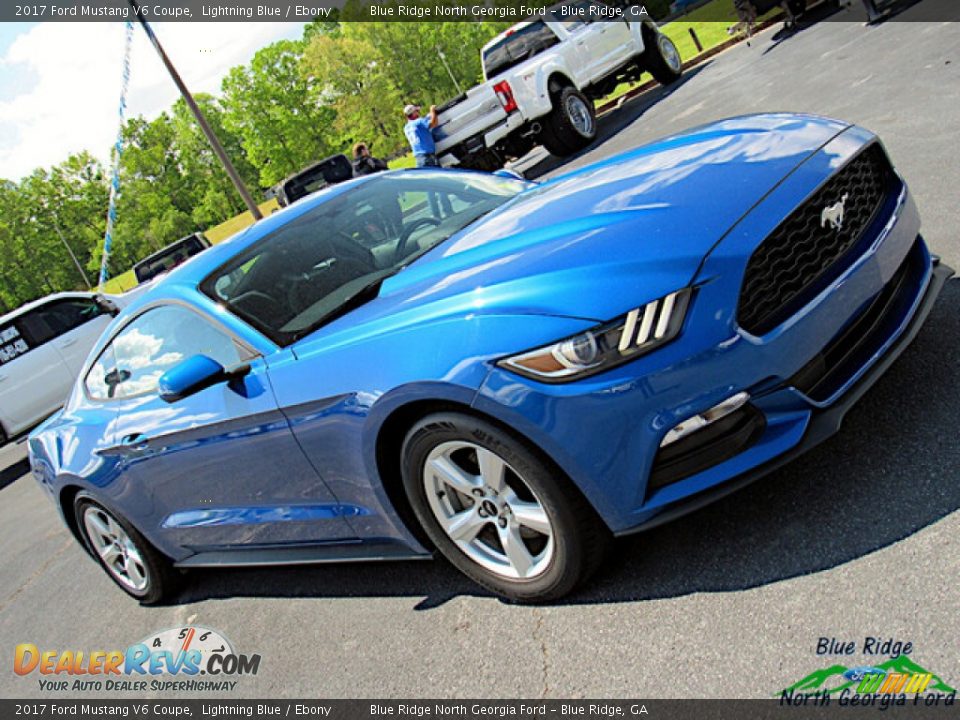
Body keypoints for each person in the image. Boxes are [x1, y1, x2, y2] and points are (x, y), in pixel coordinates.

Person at [403, 103, 440, 167]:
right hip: (427, 156)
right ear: (413, 113)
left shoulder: (406, 128)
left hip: (418, 158)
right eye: (417, 111)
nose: (418, 113)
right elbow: (434, 123)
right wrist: (432, 111)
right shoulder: (419, 121)